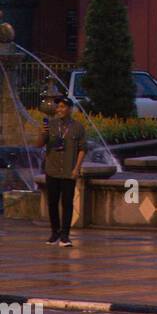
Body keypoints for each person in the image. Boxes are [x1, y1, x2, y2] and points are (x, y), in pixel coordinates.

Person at [39, 95, 87, 247]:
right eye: (57, 107)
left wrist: (76, 168)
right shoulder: (50, 125)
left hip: (68, 171)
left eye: (62, 107)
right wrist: (42, 133)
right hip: (52, 170)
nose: (59, 109)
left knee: (67, 203)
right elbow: (38, 144)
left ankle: (65, 235)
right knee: (52, 203)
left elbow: (82, 149)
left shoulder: (78, 127)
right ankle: (54, 233)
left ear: (69, 109)